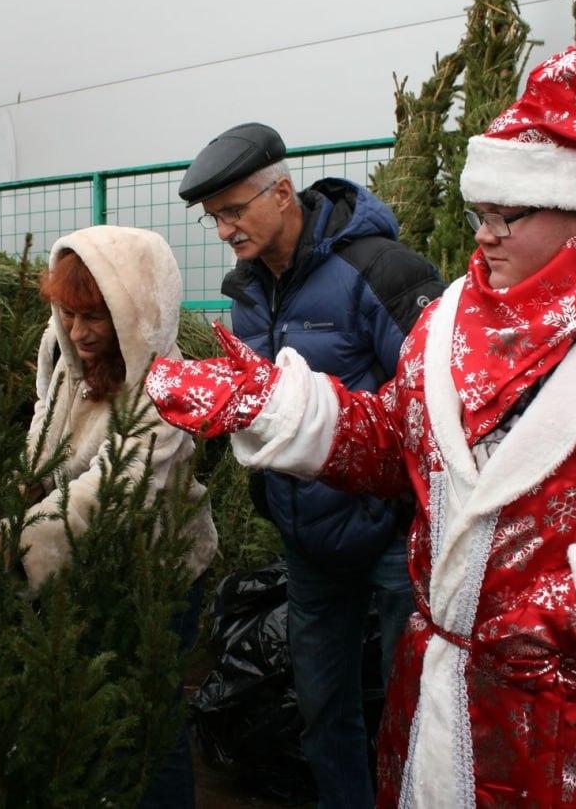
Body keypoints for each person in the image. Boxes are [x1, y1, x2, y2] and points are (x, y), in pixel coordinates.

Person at [146, 47, 576, 806]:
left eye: (504, 216)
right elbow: (398, 444)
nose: (482, 237)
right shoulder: (450, 319)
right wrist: (286, 410)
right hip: (442, 716)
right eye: (477, 214)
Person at [177, 122, 443, 806]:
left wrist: (395, 508)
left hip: (389, 537)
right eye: (215, 218)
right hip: (308, 541)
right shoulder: (246, 293)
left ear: (283, 190)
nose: (224, 231)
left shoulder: (381, 271)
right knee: (324, 705)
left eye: (233, 211)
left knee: (411, 709)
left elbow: (435, 400)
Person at [0, 225, 218, 808]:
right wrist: (26, 481)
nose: (79, 332)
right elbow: (47, 421)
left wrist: (17, 545)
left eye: (96, 317)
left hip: (157, 569)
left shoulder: (168, 388)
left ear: (134, 314)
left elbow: (114, 488)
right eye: (68, 314)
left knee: (149, 722)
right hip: (84, 562)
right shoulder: (64, 350)